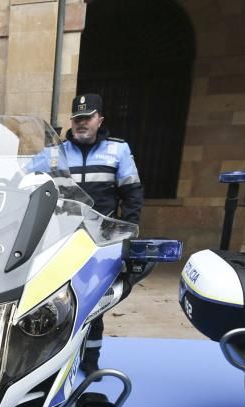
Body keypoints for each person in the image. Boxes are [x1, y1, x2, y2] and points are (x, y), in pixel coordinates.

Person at [63, 93, 144, 374]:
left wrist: (128, 233)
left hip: (101, 238)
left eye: (87, 118)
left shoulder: (117, 150)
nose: (81, 123)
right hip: (63, 237)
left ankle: (91, 361)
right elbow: (26, 180)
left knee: (94, 299)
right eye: (77, 119)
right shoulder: (57, 152)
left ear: (100, 120)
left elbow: (132, 194)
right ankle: (59, 359)